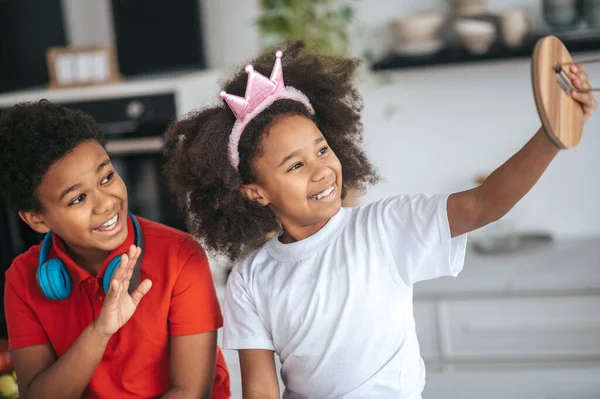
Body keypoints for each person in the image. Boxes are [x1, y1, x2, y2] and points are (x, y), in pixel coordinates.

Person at [163, 41, 597, 398]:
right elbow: (260, 389)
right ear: (255, 192)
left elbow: (484, 203)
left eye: (321, 149)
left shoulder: (382, 228)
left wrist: (551, 137)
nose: (320, 170)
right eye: (294, 166)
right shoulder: (251, 278)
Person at [0, 100, 231, 399]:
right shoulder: (22, 278)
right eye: (78, 199)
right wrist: (100, 331)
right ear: (37, 219)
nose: (106, 202)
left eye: (107, 177)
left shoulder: (180, 256)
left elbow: (191, 391)